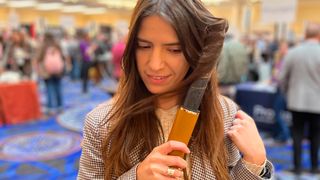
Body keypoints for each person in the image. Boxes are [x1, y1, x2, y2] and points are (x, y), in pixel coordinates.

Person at [78, 0, 274, 179]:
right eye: (144, 46)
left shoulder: (224, 112)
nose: (154, 65)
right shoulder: (102, 124)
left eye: (174, 50)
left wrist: (255, 162)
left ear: (196, 53)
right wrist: (136, 176)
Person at [280, 23, 320, 175]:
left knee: (297, 134)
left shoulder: (293, 52)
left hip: (296, 101)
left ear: (305, 35)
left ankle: (297, 168)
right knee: (316, 135)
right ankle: (315, 167)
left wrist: (287, 93)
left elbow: (282, 78)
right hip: (318, 103)